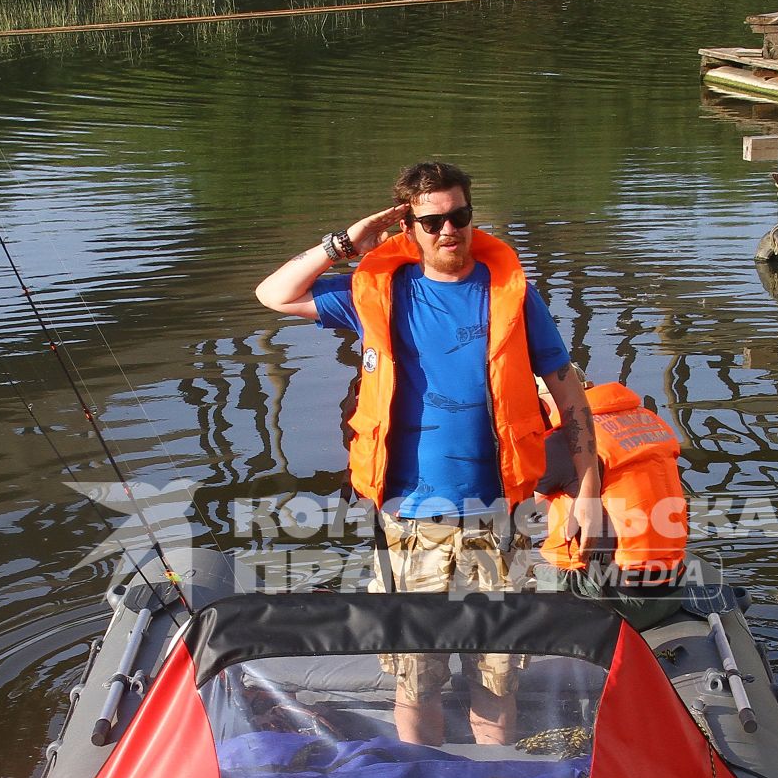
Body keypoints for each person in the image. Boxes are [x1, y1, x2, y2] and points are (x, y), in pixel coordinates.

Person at [255, 160, 600, 745]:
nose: (449, 231)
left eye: (459, 217)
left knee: (497, 680)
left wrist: (588, 494)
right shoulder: (376, 292)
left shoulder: (512, 294)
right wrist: (345, 243)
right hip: (410, 522)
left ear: (471, 218)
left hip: (500, 520)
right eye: (432, 220)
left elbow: (570, 398)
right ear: (408, 226)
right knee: (416, 683)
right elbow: (274, 295)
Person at [536, 373, 690, 630]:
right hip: (671, 589)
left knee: (509, 566)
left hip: (615, 601)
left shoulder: (564, 441)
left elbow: (512, 498)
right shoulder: (648, 419)